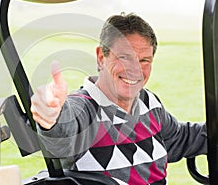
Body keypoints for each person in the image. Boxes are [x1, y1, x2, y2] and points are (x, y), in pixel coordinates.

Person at [30, 13, 207, 185]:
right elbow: (64, 138)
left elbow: (180, 138)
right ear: (101, 57)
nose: (135, 70)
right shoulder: (84, 108)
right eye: (124, 57)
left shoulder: (148, 101)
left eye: (144, 60)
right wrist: (52, 118)